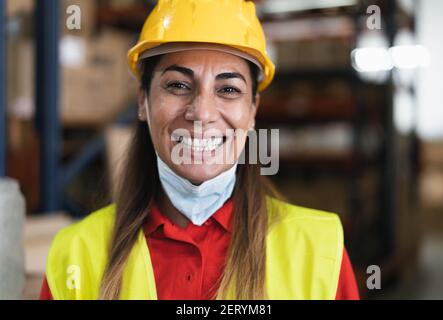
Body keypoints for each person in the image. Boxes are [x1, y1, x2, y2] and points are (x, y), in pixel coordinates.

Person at [40, 0, 359, 300]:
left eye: (228, 89)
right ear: (142, 101)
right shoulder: (76, 256)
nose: (202, 112)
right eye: (178, 85)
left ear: (252, 111)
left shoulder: (320, 252)